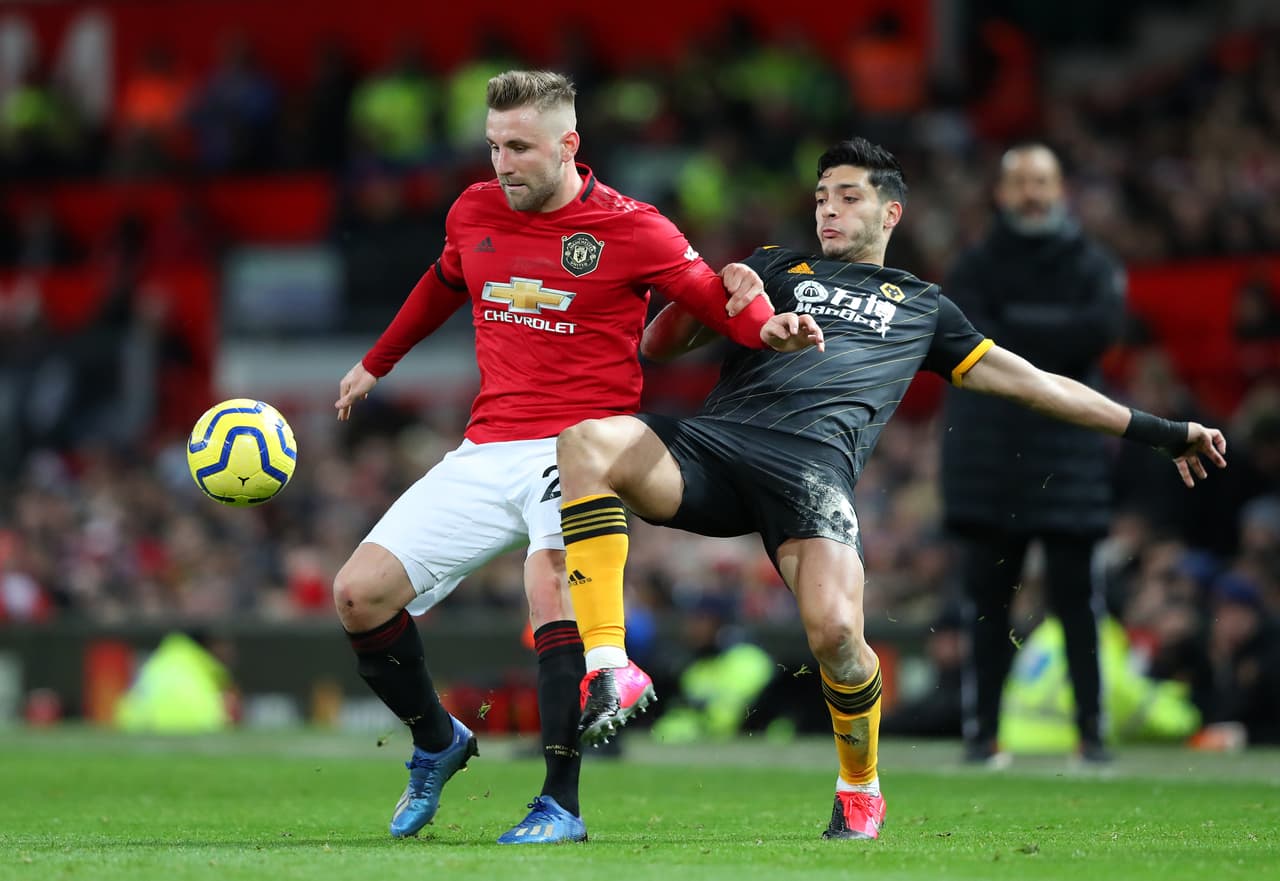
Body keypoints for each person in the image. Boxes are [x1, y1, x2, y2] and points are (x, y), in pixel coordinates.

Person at [554, 137, 1226, 840]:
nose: (830, 211)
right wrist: (724, 293)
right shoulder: (775, 266)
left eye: (849, 197)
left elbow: (1035, 384)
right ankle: (609, 663)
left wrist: (1159, 429)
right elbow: (660, 345)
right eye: (821, 198)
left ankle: (859, 785)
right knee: (586, 441)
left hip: (811, 476)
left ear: (891, 211)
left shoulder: (924, 307)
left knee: (840, 636)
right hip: (717, 449)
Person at [330, 70, 821, 844]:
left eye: (520, 147)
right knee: (358, 595)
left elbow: (707, 295)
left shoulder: (634, 226)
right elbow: (442, 282)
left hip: (582, 449)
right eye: (494, 146)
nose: (503, 163)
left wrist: (769, 329)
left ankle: (560, 803)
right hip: (487, 445)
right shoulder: (474, 210)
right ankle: (437, 740)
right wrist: (376, 362)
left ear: (569, 145)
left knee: (551, 590)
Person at [938, 143, 1127, 765]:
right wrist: (1049, 339)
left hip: (1069, 455)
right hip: (991, 459)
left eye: (1042, 181)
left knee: (1079, 603)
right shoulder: (972, 267)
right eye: (1020, 182)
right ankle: (980, 737)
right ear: (1000, 193)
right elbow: (976, 342)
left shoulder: (1091, 264)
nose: (1032, 193)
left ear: (1061, 188)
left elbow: (1096, 331)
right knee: (988, 606)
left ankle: (1093, 738)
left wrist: (1016, 336)